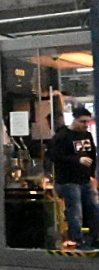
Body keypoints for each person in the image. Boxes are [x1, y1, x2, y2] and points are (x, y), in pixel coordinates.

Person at [47, 106, 99, 249]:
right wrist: (77, 160)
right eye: (82, 122)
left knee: (94, 209)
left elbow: (92, 155)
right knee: (75, 211)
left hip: (84, 179)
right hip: (68, 180)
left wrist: (92, 175)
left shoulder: (87, 136)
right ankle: (78, 239)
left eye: (87, 122)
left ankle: (96, 237)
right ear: (75, 120)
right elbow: (54, 156)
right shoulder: (63, 136)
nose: (85, 125)